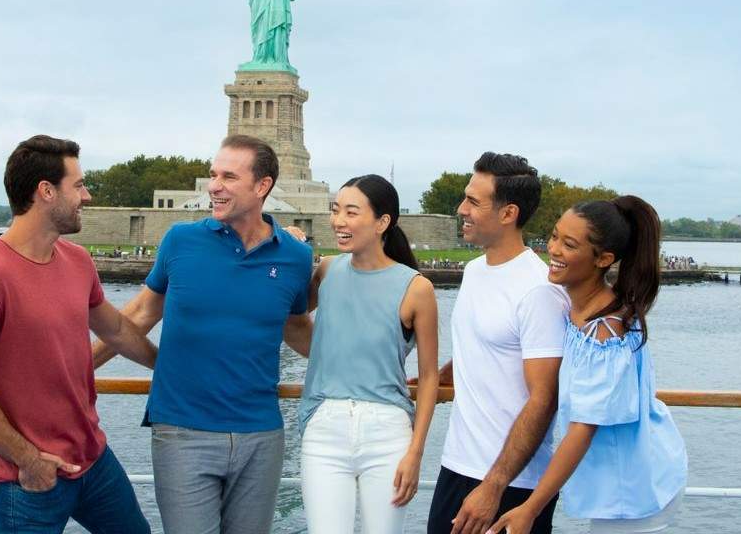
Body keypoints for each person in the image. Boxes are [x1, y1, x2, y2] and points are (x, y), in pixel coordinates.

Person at [92, 134, 314, 534]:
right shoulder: (180, 240)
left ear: (262, 186)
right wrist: (76, 369)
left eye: (228, 177)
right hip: (182, 432)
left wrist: (370, 371)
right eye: (213, 175)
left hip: (261, 435)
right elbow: (138, 316)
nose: (214, 186)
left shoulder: (295, 256)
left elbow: (296, 328)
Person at [0, 135, 158, 534]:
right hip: (25, 479)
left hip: (93, 461)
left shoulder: (78, 260)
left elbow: (116, 329)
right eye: (79, 185)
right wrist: (28, 459)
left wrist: (171, 367)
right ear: (46, 191)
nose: (87, 196)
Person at [490, 197, 688, 534]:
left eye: (569, 244)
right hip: (619, 483)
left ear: (604, 259)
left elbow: (583, 430)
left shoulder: (605, 331)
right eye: (554, 236)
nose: (554, 249)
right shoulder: (580, 310)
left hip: (632, 487)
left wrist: (530, 509)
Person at [287, 174, 440, 533]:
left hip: (389, 433)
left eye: (351, 212)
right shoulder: (327, 270)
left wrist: (415, 453)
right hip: (323, 427)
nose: (338, 221)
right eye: (335, 210)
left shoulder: (417, 288)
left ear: (382, 222)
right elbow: (286, 313)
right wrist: (285, 247)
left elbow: (429, 376)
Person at [427, 153, 570, 534]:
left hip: (511, 484)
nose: (461, 209)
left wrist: (494, 486)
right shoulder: (475, 271)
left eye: (474, 202)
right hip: (457, 465)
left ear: (508, 213)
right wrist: (440, 378)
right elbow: (485, 344)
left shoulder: (539, 290)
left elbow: (545, 398)